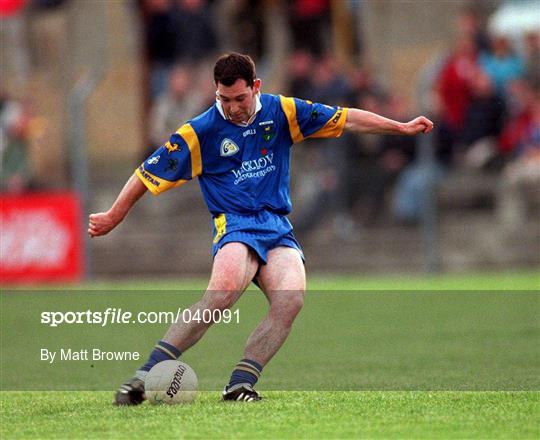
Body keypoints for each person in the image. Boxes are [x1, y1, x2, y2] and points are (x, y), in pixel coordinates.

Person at [88, 53, 433, 404]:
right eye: (225, 100)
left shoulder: (282, 111)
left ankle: (240, 383)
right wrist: (115, 215)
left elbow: (345, 119)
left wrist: (400, 126)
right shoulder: (200, 131)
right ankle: (143, 377)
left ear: (256, 87)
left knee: (291, 299)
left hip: (276, 226)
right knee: (220, 295)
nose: (233, 108)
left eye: (240, 98)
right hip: (235, 224)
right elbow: (146, 173)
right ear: (215, 91)